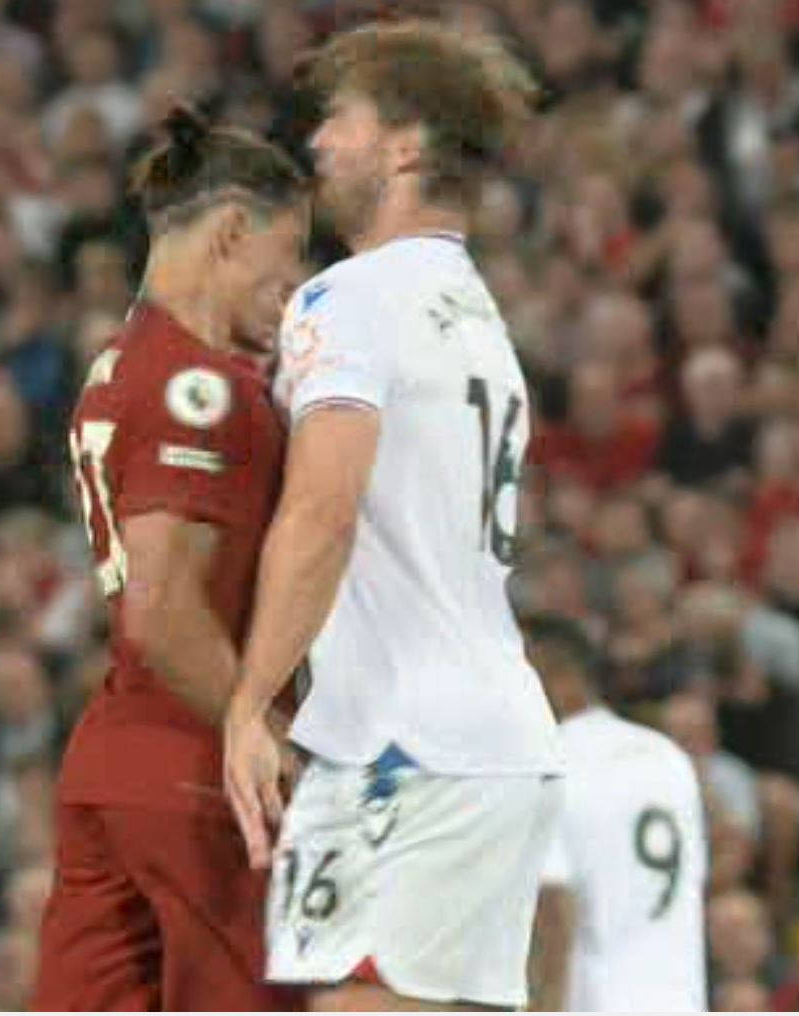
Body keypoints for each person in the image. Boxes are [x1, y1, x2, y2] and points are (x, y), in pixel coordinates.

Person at [223, 21, 563, 1010]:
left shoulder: (351, 298)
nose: (318, 142)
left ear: (406, 147)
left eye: (341, 119)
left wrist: (251, 699)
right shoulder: (475, 317)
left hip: (409, 743)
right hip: (468, 735)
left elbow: (322, 509)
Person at [30, 105, 308, 1011]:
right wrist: (255, 732)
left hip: (112, 761)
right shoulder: (203, 389)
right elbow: (163, 607)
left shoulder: (119, 364)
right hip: (196, 769)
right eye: (287, 258)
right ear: (231, 233)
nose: (292, 290)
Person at [523, 615, 708, 1012]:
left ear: (560, 678)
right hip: (680, 998)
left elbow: (553, 911)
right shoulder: (667, 755)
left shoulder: (545, 764)